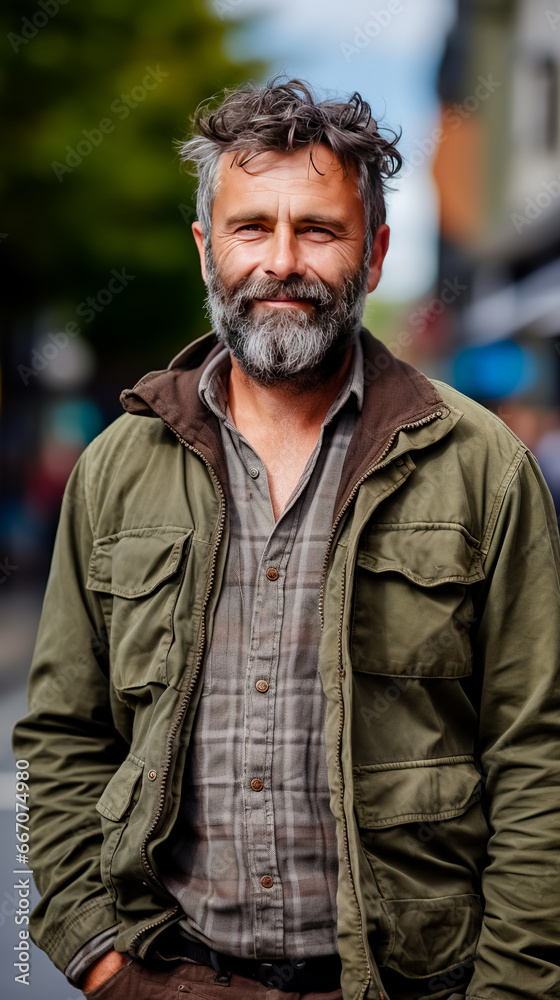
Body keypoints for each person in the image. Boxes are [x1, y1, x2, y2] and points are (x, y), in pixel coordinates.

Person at [13, 77, 560, 1000]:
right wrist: (99, 958)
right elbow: (59, 742)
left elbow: (538, 756)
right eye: (250, 226)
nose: (281, 260)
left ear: (375, 252)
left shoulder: (482, 467)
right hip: (167, 976)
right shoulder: (114, 469)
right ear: (205, 250)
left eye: (318, 229)